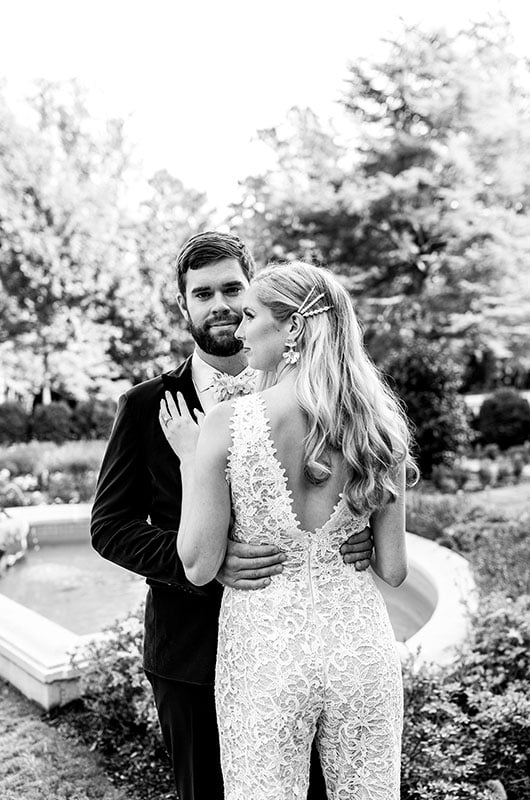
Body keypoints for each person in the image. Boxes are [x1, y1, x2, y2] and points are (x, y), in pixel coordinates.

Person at [90, 233, 374, 800]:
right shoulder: (147, 405)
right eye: (202, 293)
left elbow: (364, 477)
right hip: (191, 650)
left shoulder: (322, 394)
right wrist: (205, 560)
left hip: (302, 646)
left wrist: (358, 530)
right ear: (183, 306)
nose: (219, 305)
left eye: (232, 290)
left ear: (253, 294)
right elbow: (110, 526)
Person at [162, 260, 419, 800]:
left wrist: (191, 461)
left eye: (250, 314)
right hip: (360, 651)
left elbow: (199, 563)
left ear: (294, 329)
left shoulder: (226, 424)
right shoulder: (382, 427)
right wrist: (359, 537)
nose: (238, 327)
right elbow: (394, 571)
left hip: (266, 657)